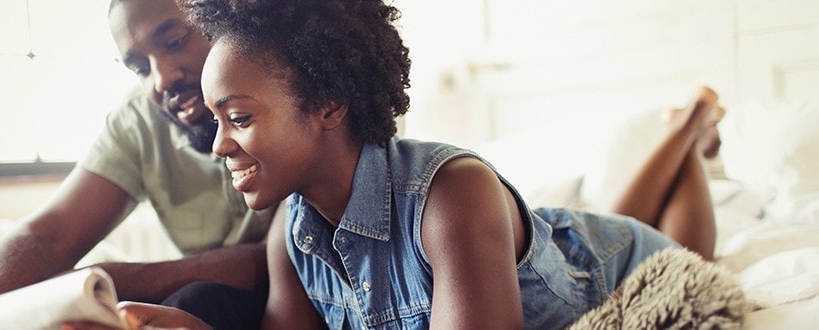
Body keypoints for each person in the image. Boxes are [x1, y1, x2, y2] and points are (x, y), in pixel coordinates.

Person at [68, 0, 722, 328]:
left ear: (327, 101)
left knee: (685, 258)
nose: (217, 146)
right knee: (591, 226)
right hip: (547, 242)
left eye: (238, 118)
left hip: (616, 261)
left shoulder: (453, 193)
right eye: (216, 121)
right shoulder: (291, 233)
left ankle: (692, 127)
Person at [0, 0, 278, 328]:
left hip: (297, 297)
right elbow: (50, 235)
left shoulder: (290, 89)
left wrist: (108, 277)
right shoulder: (139, 118)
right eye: (140, 68)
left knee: (196, 300)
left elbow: (278, 261)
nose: (161, 80)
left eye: (175, 41)